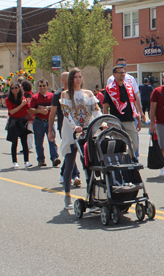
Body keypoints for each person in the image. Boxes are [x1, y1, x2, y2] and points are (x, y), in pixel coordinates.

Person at [59, 68, 103, 210]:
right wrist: (74, 126)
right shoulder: (66, 94)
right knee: (70, 164)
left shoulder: (88, 93)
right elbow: (66, 114)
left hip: (86, 132)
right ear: (71, 79)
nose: (79, 79)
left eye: (80, 76)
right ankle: (67, 196)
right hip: (72, 134)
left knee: (88, 164)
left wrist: (102, 122)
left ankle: (91, 197)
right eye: (76, 77)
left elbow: (96, 110)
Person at [48, 72, 81, 186]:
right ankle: (75, 175)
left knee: (72, 152)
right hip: (65, 128)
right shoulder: (58, 94)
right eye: (71, 78)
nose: (74, 80)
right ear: (63, 80)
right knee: (70, 151)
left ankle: (63, 173)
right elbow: (52, 114)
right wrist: (50, 130)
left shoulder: (78, 93)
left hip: (79, 128)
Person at [104, 66, 142, 155]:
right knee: (118, 146)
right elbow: (105, 106)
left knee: (134, 145)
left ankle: (127, 161)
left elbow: (133, 104)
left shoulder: (129, 87)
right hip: (116, 121)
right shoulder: (110, 89)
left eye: (123, 72)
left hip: (129, 120)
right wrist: (106, 121)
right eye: (120, 72)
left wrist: (138, 119)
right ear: (114, 74)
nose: (122, 74)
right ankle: (119, 165)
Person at [28, 79, 61, 167]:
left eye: (43, 85)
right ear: (38, 87)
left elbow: (57, 107)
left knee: (52, 140)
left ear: (47, 86)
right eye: (40, 86)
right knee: (39, 142)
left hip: (49, 122)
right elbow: (30, 109)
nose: (42, 87)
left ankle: (54, 158)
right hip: (38, 121)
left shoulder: (52, 96)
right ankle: (41, 160)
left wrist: (48, 108)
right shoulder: (35, 98)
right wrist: (38, 110)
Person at [107, 57, 145, 122]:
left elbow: (136, 97)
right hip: (117, 114)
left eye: (124, 65)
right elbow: (108, 99)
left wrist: (141, 112)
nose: (122, 66)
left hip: (132, 113)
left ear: (126, 65)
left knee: (133, 131)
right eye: (119, 65)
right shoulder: (111, 79)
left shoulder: (131, 78)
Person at [5, 83, 33, 168]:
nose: (14, 89)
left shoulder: (23, 99)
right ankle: (15, 161)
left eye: (16, 88)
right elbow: (12, 112)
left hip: (22, 121)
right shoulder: (8, 99)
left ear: (19, 88)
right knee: (14, 143)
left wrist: (36, 112)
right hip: (14, 122)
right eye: (12, 88)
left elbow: (28, 109)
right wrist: (21, 105)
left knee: (24, 142)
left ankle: (26, 161)